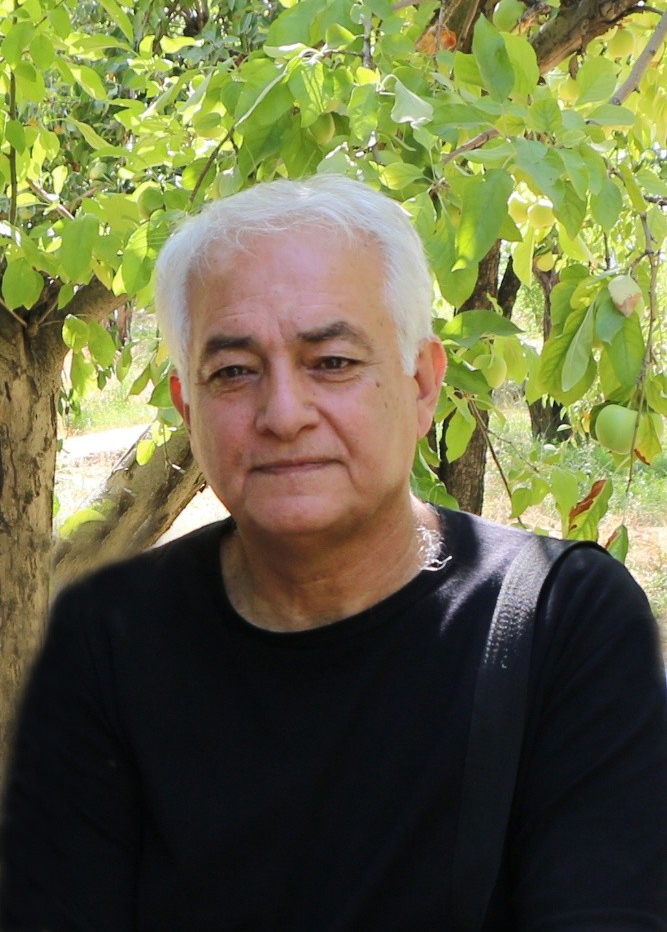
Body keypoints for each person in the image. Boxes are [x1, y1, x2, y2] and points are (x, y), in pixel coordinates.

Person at [1, 175, 666, 931]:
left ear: (422, 385)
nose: (284, 414)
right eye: (234, 372)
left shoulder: (558, 623)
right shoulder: (108, 636)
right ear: (189, 408)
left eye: (333, 362)